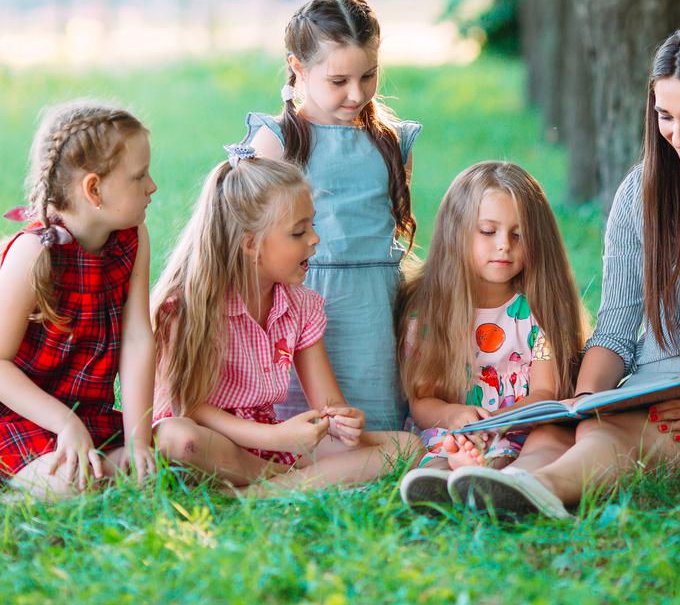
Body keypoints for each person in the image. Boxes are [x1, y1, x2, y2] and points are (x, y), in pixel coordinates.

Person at [444, 22, 680, 518]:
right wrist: (585, 398)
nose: (679, 136)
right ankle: (495, 482)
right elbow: (616, 331)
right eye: (665, 117)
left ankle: (536, 489)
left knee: (617, 436)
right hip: (643, 392)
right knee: (566, 426)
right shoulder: (641, 193)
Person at [151, 147, 416, 495]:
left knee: (407, 447)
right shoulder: (189, 309)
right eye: (298, 232)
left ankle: (253, 492)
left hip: (270, 443)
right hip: (212, 443)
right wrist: (276, 437)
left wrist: (343, 421)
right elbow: (192, 409)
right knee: (179, 439)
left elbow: (328, 405)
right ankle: (287, 483)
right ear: (251, 244)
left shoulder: (300, 307)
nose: (315, 239)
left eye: (313, 226)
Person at [244, 0, 421, 431]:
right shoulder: (278, 140)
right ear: (299, 68)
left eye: (368, 76)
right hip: (300, 296)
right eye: (338, 80)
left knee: (370, 426)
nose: (356, 93)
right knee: (302, 421)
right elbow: (250, 237)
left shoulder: (390, 142)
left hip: (373, 305)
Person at [397, 162, 587, 507]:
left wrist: (503, 421)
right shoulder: (428, 313)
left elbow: (546, 391)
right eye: (488, 231)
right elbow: (421, 402)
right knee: (445, 447)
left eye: (519, 234)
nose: (504, 246)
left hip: (521, 426)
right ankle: (441, 476)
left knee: (545, 441)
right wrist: (454, 416)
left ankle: (501, 481)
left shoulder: (538, 311)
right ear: (458, 232)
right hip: (454, 429)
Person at [0, 101, 157, 498]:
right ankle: (22, 491)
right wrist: (64, 424)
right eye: (139, 176)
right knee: (78, 485)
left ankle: (104, 461)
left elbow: (138, 339)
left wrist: (139, 442)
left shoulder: (132, 238)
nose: (152, 186)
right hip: (21, 416)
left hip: (90, 413)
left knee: (172, 449)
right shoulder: (34, 254)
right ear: (93, 189)